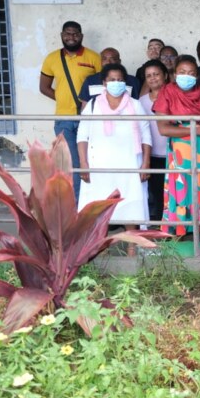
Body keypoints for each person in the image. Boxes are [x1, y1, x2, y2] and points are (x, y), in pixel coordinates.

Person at [78, 63, 152, 255]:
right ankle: (98, 247)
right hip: (99, 164)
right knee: (99, 206)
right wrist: (84, 164)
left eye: (120, 80)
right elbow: (82, 135)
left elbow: (146, 135)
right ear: (104, 83)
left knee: (131, 204)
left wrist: (146, 163)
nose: (116, 83)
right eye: (112, 80)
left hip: (129, 162)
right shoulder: (93, 105)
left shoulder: (135, 105)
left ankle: (132, 246)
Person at [153, 54, 200, 236]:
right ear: (174, 74)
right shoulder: (166, 93)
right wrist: (197, 130)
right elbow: (164, 129)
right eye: (182, 72)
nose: (186, 76)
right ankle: (184, 230)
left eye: (191, 73)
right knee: (184, 188)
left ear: (197, 76)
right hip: (181, 152)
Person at [39, 20, 102, 200]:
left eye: (75, 33)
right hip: (64, 120)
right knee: (73, 164)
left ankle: (90, 202)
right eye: (67, 33)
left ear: (81, 36)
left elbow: (102, 86)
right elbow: (44, 87)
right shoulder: (52, 58)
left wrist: (87, 107)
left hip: (89, 120)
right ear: (62, 35)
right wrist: (63, 99)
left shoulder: (93, 57)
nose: (71, 37)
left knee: (91, 162)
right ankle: (76, 207)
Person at [139, 59, 170, 222]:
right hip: (153, 156)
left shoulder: (175, 97)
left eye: (156, 74)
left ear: (165, 75)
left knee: (177, 194)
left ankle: (179, 228)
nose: (153, 78)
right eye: (149, 76)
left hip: (174, 155)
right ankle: (161, 227)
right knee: (158, 195)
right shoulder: (141, 102)